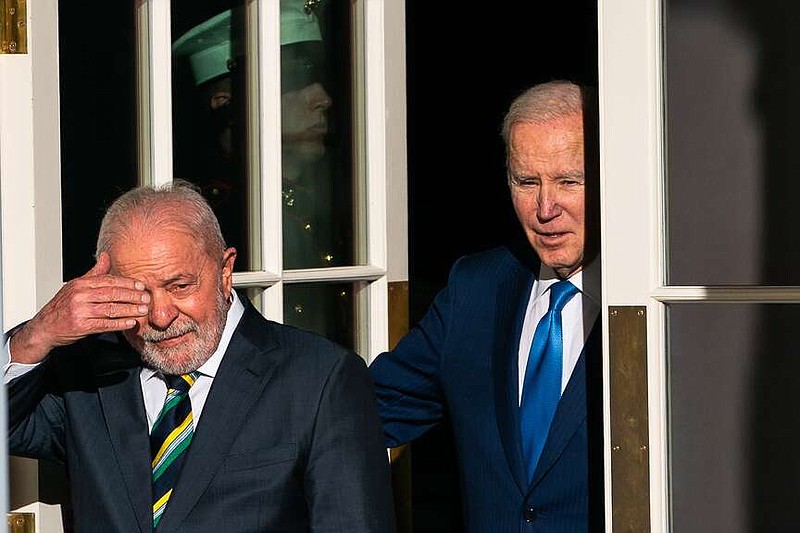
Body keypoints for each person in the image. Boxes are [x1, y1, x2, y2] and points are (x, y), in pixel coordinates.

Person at [5, 181, 396, 532]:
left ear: (226, 271)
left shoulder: (319, 379)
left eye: (180, 286)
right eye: (137, 293)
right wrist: (36, 335)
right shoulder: (89, 376)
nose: (160, 316)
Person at [368, 80, 603, 532]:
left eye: (569, 181)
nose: (545, 208)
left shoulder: (648, 308)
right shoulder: (476, 288)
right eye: (526, 181)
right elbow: (370, 409)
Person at [172, 0, 354, 345]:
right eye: (298, 81)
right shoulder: (220, 218)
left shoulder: (317, 201)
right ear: (227, 103)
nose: (324, 98)